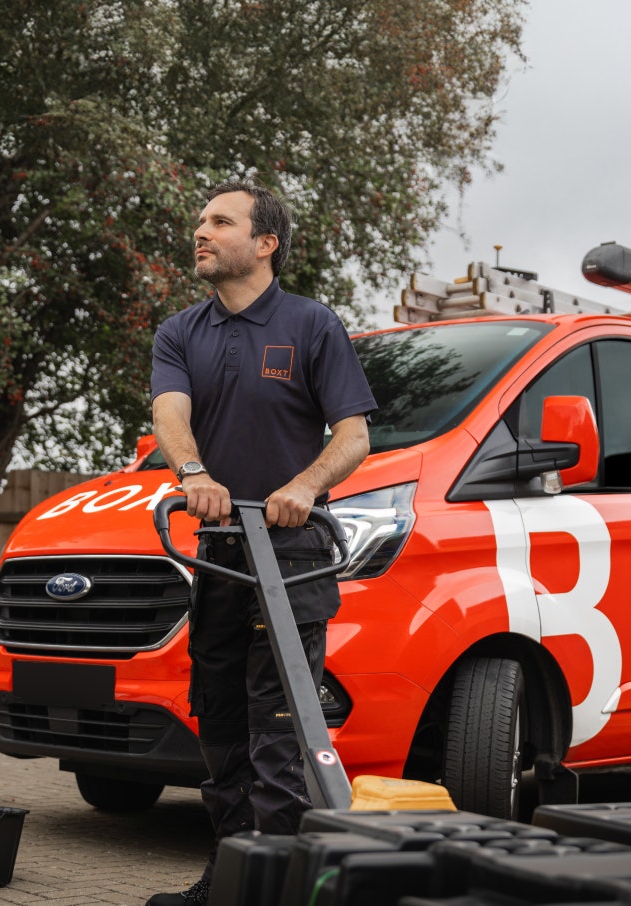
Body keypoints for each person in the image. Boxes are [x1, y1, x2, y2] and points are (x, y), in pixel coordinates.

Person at [145, 178, 375, 906]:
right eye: (199, 221)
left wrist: (305, 485)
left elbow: (355, 434)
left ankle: (274, 882)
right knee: (219, 716)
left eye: (219, 221)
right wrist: (193, 472)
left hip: (293, 549)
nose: (200, 232)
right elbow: (170, 415)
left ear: (265, 242)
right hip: (219, 549)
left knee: (277, 721)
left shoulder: (311, 326)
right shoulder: (181, 332)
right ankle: (232, 873)